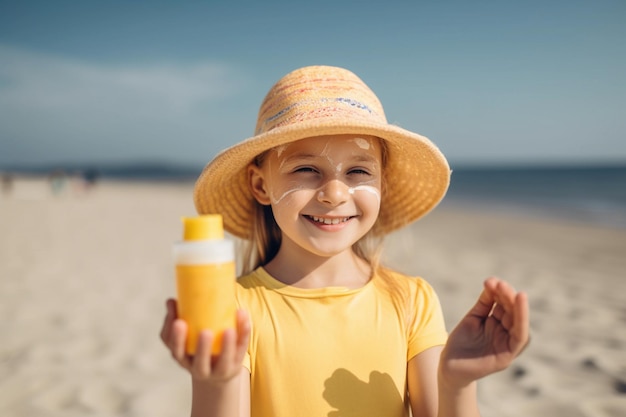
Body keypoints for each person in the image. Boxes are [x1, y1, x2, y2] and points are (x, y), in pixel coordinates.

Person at [160, 65, 530, 417]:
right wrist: (217, 382)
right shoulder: (235, 309)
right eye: (306, 169)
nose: (334, 193)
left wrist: (458, 383)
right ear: (261, 185)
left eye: (357, 171)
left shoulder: (412, 301)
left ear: (382, 184)